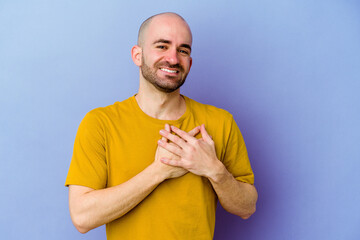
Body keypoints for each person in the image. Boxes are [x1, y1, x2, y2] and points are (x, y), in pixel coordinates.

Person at [65, 12, 258, 240]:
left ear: (190, 62)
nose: (173, 59)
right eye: (162, 46)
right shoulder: (100, 123)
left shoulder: (220, 122)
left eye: (183, 50)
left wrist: (214, 170)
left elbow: (247, 207)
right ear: (138, 55)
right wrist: (159, 171)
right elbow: (82, 218)